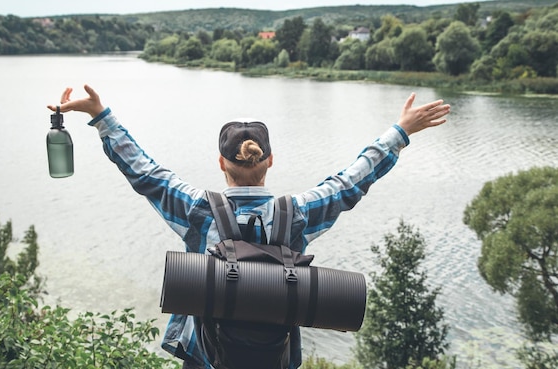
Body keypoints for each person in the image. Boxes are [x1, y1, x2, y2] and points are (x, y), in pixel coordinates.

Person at [47, 85, 450, 369]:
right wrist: (400, 133)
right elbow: (349, 183)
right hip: (274, 359)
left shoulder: (197, 211)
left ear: (221, 163)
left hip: (205, 358)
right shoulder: (297, 214)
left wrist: (102, 117)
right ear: (269, 161)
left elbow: (147, 175)